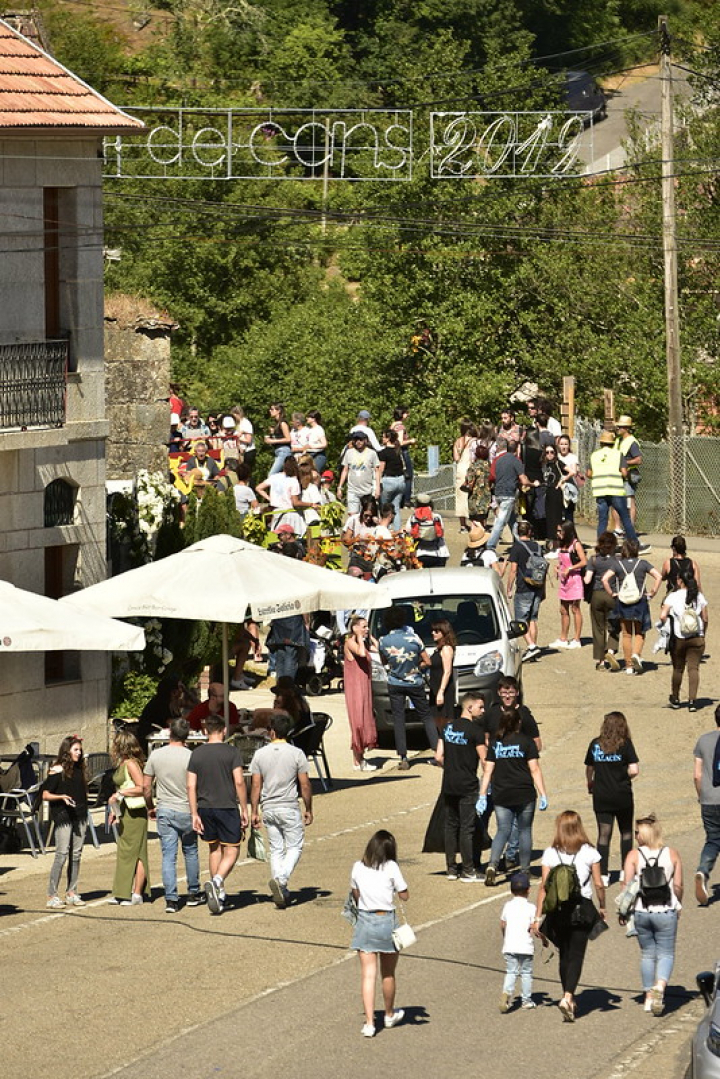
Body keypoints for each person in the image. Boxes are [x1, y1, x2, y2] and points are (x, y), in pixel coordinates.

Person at [535, 810, 605, 1022]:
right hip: (581, 909)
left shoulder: (550, 853)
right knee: (576, 954)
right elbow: (599, 883)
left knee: (564, 954)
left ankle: (568, 998)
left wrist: (538, 917)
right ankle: (567, 997)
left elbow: (544, 887)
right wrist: (602, 906)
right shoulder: (589, 852)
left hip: (558, 910)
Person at [478, 707, 548, 883]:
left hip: (501, 793)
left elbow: (488, 771)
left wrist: (482, 794)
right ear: (519, 723)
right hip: (524, 792)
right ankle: (525, 869)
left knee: (502, 829)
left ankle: (492, 864)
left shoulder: (495, 743)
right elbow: (535, 769)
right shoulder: (526, 742)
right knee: (525, 830)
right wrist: (543, 793)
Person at [621, 814, 683, 1016]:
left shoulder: (633, 855)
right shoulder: (672, 854)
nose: (635, 836)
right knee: (666, 953)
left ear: (643, 834)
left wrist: (624, 911)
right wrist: (677, 903)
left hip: (642, 910)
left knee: (647, 954)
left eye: (637, 832)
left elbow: (626, 886)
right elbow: (678, 885)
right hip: (666, 909)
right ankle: (660, 986)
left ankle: (648, 997)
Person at [187, 714, 248, 915]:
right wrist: (244, 808)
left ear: (205, 730)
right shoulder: (232, 752)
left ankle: (218, 893)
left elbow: (191, 785)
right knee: (232, 849)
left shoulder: (196, 753)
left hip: (205, 807)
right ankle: (217, 881)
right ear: (224, 730)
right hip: (227, 806)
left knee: (214, 849)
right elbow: (239, 781)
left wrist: (194, 813)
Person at [250, 712, 313, 908]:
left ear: (272, 731)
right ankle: (282, 879)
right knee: (294, 846)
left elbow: (256, 785)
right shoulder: (297, 753)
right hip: (289, 806)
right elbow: (305, 784)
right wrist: (309, 807)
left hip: (268, 807)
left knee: (276, 849)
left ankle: (281, 889)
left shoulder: (260, 754)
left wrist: (254, 810)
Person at [350, 829, 409, 1038]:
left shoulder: (358, 867)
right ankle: (389, 1014)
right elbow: (404, 895)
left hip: (365, 920)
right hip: (386, 921)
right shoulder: (391, 867)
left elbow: (355, 893)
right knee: (388, 973)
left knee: (368, 974)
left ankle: (369, 1023)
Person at [143, 717, 202, 913]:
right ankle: (193, 891)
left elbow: (146, 786)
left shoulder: (156, 755)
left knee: (168, 855)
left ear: (169, 732)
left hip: (165, 808)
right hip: (186, 808)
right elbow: (196, 785)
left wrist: (150, 806)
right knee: (190, 850)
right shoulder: (191, 756)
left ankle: (171, 898)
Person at [435, 691, 486, 882]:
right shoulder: (475, 731)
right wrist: (487, 783)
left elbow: (438, 756)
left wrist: (450, 768)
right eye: (480, 707)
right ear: (469, 707)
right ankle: (468, 869)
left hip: (449, 782)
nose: (483, 710)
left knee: (450, 826)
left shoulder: (447, 727)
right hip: (467, 784)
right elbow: (484, 759)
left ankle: (451, 868)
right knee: (466, 828)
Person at [584, 711, 639, 886]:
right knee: (626, 832)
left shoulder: (595, 744)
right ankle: (625, 871)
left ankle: (603, 874)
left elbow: (589, 768)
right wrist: (622, 776)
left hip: (602, 795)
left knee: (604, 833)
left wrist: (590, 782)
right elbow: (634, 770)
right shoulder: (625, 744)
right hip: (622, 795)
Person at [378, 604, 435, 770]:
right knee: (426, 716)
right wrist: (417, 667)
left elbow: (384, 662)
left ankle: (403, 757)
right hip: (415, 681)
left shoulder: (383, 641)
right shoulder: (414, 638)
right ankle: (437, 751)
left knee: (398, 718)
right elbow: (427, 661)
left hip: (395, 682)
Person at [602, 539, 662, 675]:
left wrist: (612, 593)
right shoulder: (643, 564)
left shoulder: (618, 565)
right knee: (640, 632)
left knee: (626, 634)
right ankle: (636, 654)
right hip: (640, 601)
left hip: (623, 601)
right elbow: (658, 576)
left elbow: (605, 579)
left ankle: (628, 665)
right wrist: (652, 592)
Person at [42, 735, 89, 909]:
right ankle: (52, 894)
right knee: (61, 854)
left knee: (76, 854)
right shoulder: (57, 770)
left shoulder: (79, 769)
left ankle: (72, 892)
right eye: (75, 750)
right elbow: (45, 794)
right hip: (63, 815)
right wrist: (61, 797)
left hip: (80, 814)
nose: (79, 753)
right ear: (67, 751)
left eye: (80, 750)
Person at [108, 730, 151, 906]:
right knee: (128, 851)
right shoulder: (124, 763)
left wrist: (121, 793)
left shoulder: (131, 764)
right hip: (126, 811)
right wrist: (114, 810)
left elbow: (142, 787)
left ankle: (136, 892)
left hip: (135, 813)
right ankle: (124, 891)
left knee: (135, 852)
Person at [659, 566, 708, 710]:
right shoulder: (699, 596)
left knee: (678, 669)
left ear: (680, 580)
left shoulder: (673, 596)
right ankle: (692, 701)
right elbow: (705, 618)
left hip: (679, 637)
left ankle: (675, 698)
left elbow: (662, 615)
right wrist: (703, 633)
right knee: (693, 669)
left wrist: (667, 626)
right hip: (697, 636)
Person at [587, 430, 643, 548]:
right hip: (615, 490)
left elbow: (589, 473)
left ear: (601, 443)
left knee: (603, 520)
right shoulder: (618, 454)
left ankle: (601, 546)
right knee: (625, 518)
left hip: (600, 491)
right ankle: (634, 543)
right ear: (612, 443)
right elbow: (624, 472)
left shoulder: (594, 455)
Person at [505, 520, 545, 659]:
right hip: (537, 586)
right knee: (532, 619)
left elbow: (513, 570)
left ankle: (531, 646)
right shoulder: (538, 547)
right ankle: (533, 647)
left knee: (521, 620)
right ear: (529, 532)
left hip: (523, 587)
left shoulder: (516, 548)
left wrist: (509, 587)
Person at [343, 615, 379, 771]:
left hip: (364, 686)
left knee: (365, 719)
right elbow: (361, 653)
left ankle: (359, 759)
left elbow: (377, 649)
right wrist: (359, 636)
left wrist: (369, 637)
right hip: (355, 687)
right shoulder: (350, 642)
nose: (366, 629)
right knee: (358, 722)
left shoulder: (363, 643)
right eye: (363, 626)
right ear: (355, 628)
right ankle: (358, 760)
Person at [693, 704, 720, 906]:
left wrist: (701, 795)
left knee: (713, 840)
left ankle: (703, 871)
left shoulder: (703, 740)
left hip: (709, 799)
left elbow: (697, 775)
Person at [486, 438, 535, 551]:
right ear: (517, 449)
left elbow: (493, 477)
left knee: (512, 520)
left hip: (498, 493)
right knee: (500, 522)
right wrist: (533, 484)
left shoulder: (498, 460)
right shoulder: (516, 461)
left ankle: (520, 542)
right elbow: (524, 480)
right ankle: (490, 546)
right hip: (508, 494)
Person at [500, 871, 538, 1011]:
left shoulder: (507, 906)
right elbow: (534, 927)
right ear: (528, 890)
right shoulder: (531, 908)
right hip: (525, 946)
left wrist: (505, 936)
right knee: (526, 972)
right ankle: (526, 1000)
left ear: (511, 890)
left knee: (511, 971)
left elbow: (502, 924)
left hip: (510, 945)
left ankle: (506, 993)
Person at [584, 531, 622, 671]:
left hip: (597, 595)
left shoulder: (593, 560)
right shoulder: (618, 560)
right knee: (614, 626)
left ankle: (601, 661)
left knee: (598, 628)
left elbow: (587, 580)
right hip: (613, 595)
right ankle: (611, 650)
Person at [549, 521, 586, 650]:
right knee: (563, 609)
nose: (558, 533)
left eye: (561, 531)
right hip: (564, 581)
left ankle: (576, 639)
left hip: (575, 580)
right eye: (557, 531)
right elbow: (562, 561)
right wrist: (558, 567)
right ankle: (563, 638)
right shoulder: (561, 544)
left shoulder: (576, 544)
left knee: (575, 609)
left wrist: (570, 568)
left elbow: (584, 561)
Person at [338, 430, 381, 514]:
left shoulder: (372, 453)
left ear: (365, 440)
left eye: (361, 439)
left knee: (366, 515)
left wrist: (377, 488)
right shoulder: (349, 453)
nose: (358, 442)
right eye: (356, 439)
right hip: (352, 490)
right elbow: (345, 470)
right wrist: (340, 487)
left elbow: (377, 471)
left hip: (367, 491)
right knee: (352, 515)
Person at [613, 415, 642, 530]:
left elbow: (638, 460)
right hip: (617, 476)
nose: (618, 428)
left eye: (620, 427)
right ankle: (618, 528)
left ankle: (630, 529)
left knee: (630, 503)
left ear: (626, 428)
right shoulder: (618, 441)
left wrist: (624, 463)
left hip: (628, 477)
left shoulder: (632, 442)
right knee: (615, 503)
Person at [406, 494, 449, 568]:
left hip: (419, 555)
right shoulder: (436, 517)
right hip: (438, 554)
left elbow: (408, 533)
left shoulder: (413, 518)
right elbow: (441, 532)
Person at [428, 619, 456, 728]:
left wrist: (441, 692)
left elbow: (447, 671)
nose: (433, 633)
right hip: (434, 688)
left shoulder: (446, 649)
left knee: (445, 721)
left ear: (444, 632)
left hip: (443, 690)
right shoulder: (438, 649)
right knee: (437, 721)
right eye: (432, 631)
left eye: (436, 631)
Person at [378, 429, 406, 531]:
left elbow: (381, 469)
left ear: (388, 438)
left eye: (383, 437)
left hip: (388, 481)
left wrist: (377, 483)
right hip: (400, 480)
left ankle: (385, 529)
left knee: (384, 507)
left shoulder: (383, 453)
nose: (382, 439)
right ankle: (397, 531)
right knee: (396, 508)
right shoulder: (398, 451)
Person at [453, 420, 477, 532]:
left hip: (460, 470)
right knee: (472, 497)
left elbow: (456, 458)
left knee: (460, 497)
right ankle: (473, 523)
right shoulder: (474, 441)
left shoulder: (458, 441)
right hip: (470, 469)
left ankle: (463, 525)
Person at [390, 405, 415, 507]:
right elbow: (400, 442)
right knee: (408, 476)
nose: (407, 415)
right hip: (402, 452)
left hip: (393, 453)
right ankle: (406, 500)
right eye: (406, 413)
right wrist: (410, 441)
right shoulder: (400, 427)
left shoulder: (393, 426)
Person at [464, 442, 492, 524]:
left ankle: (477, 531)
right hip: (486, 495)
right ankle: (483, 528)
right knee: (483, 517)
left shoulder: (473, 466)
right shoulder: (489, 466)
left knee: (475, 520)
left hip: (475, 496)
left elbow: (469, 480)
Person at [264, 402, 292, 475]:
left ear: (278, 411)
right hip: (278, 451)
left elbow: (288, 439)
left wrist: (272, 441)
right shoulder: (276, 423)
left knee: (271, 474)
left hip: (283, 451)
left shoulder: (283, 423)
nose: (270, 411)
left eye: (272, 409)